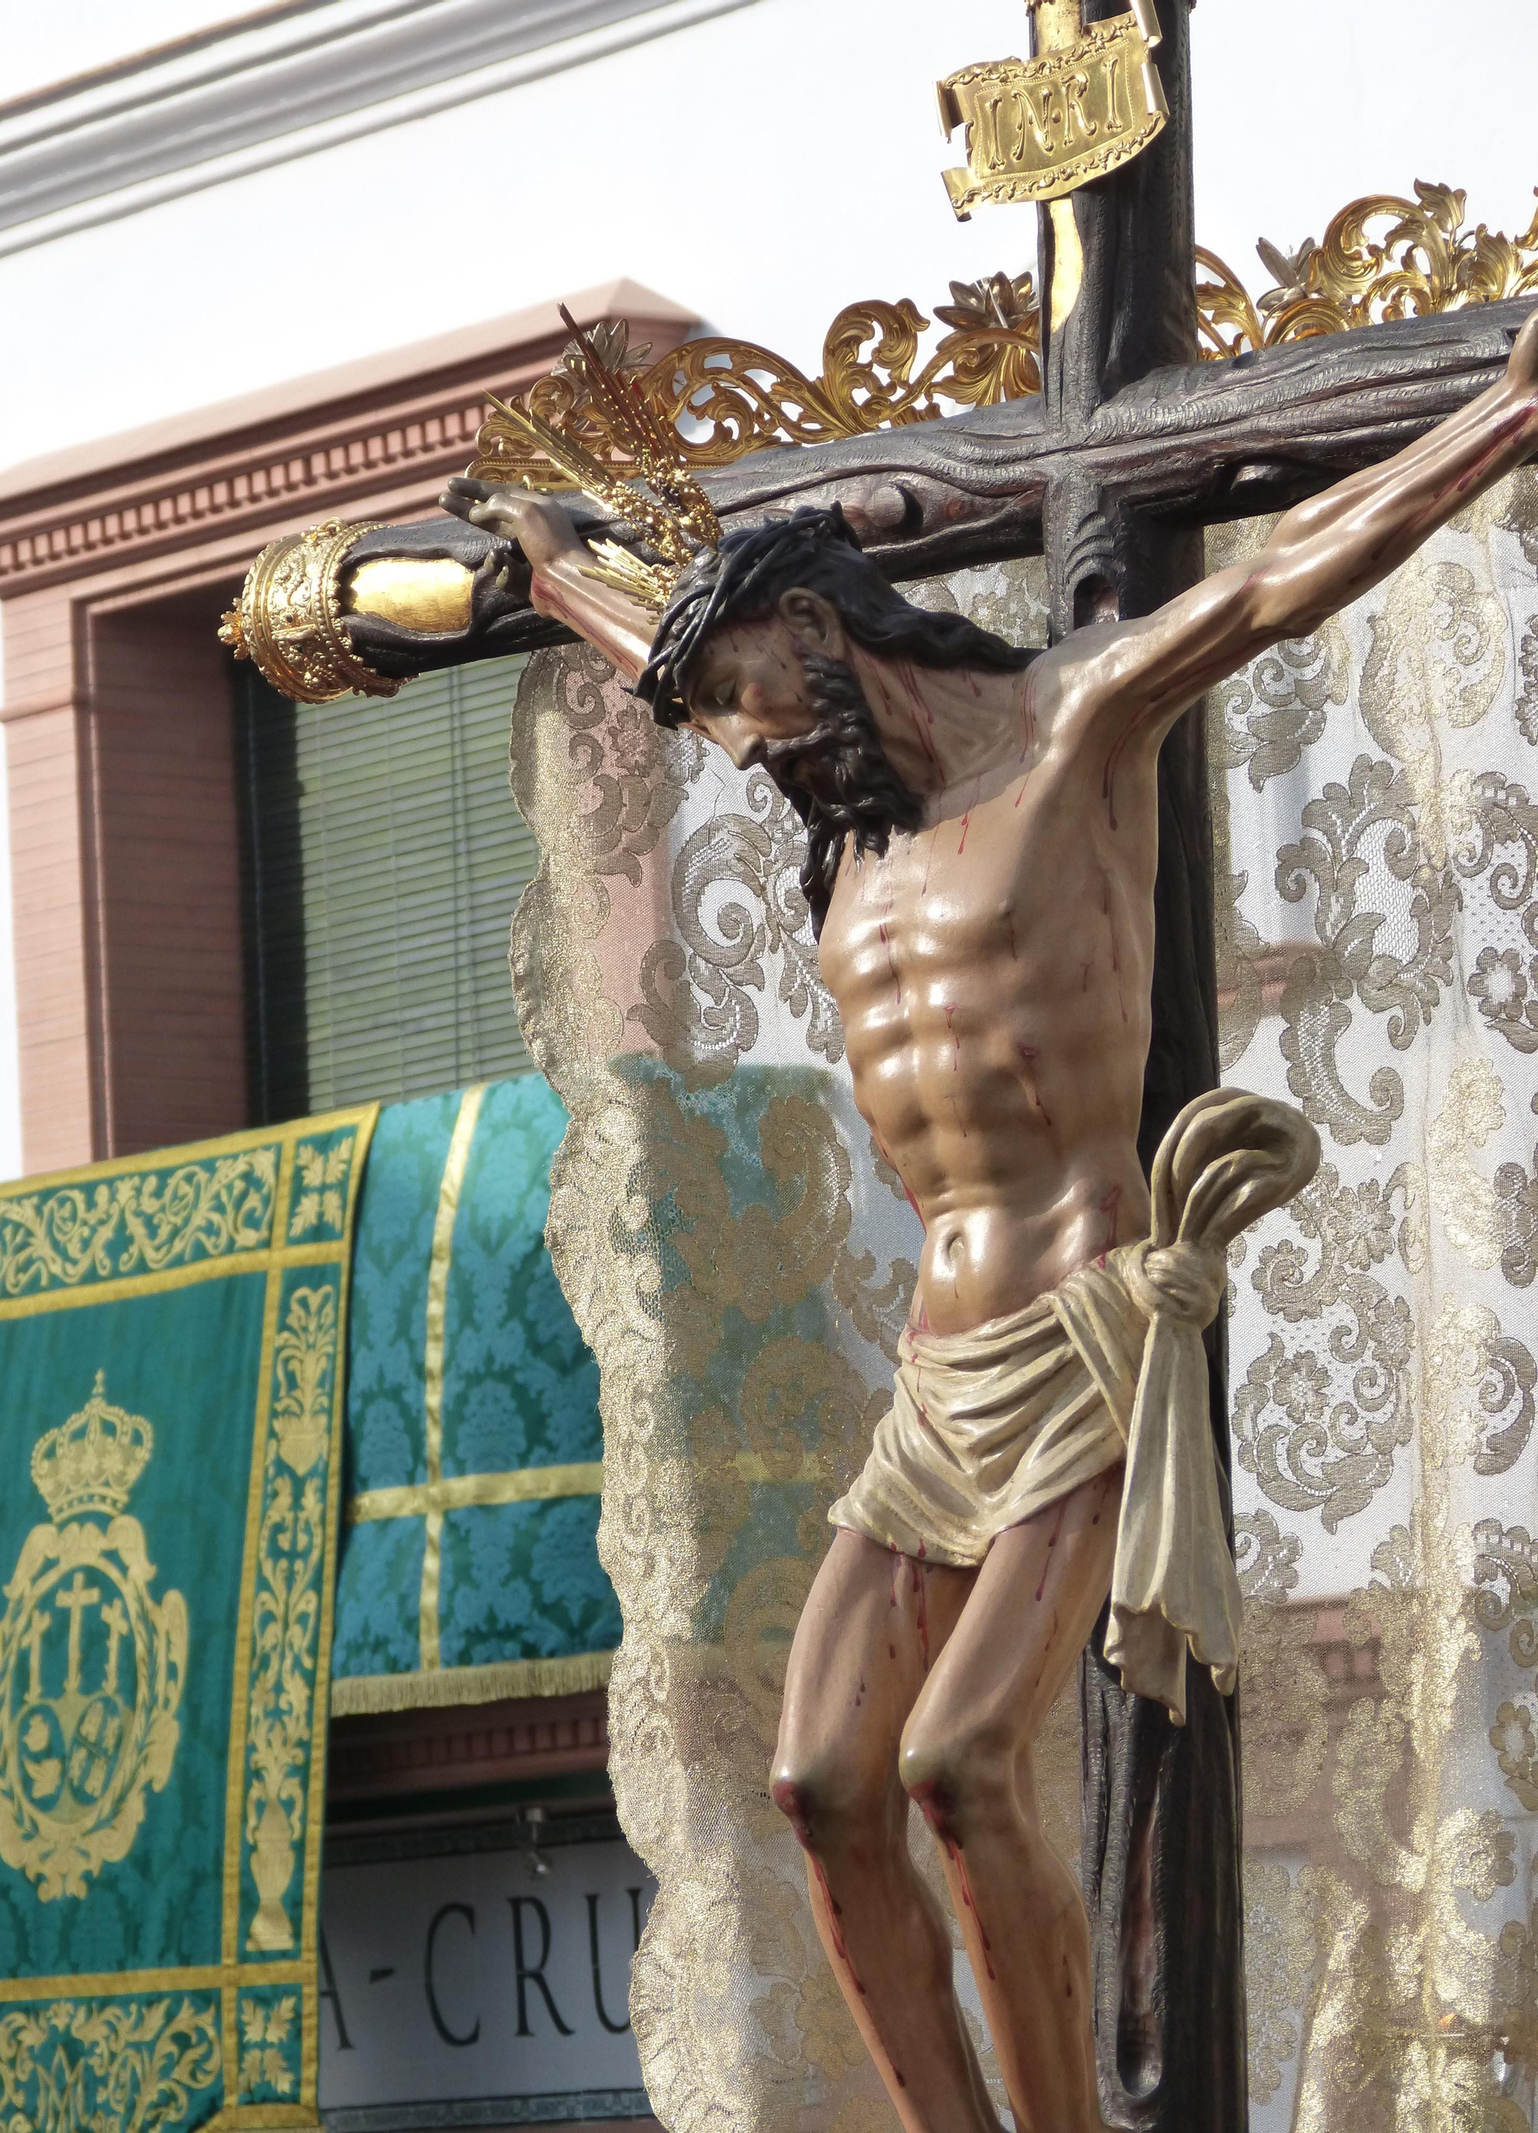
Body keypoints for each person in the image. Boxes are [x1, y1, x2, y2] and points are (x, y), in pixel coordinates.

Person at [427, 310, 1538, 2133]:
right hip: (933, 1377)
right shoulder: (834, 807)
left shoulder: (1070, 718)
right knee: (816, 1781)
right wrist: (554, 579)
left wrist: (1500, 425)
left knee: (958, 1761)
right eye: (723, 734)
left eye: (758, 711)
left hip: (1087, 1324)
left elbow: (1286, 590)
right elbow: (669, 646)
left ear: (823, 627)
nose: (748, 756)